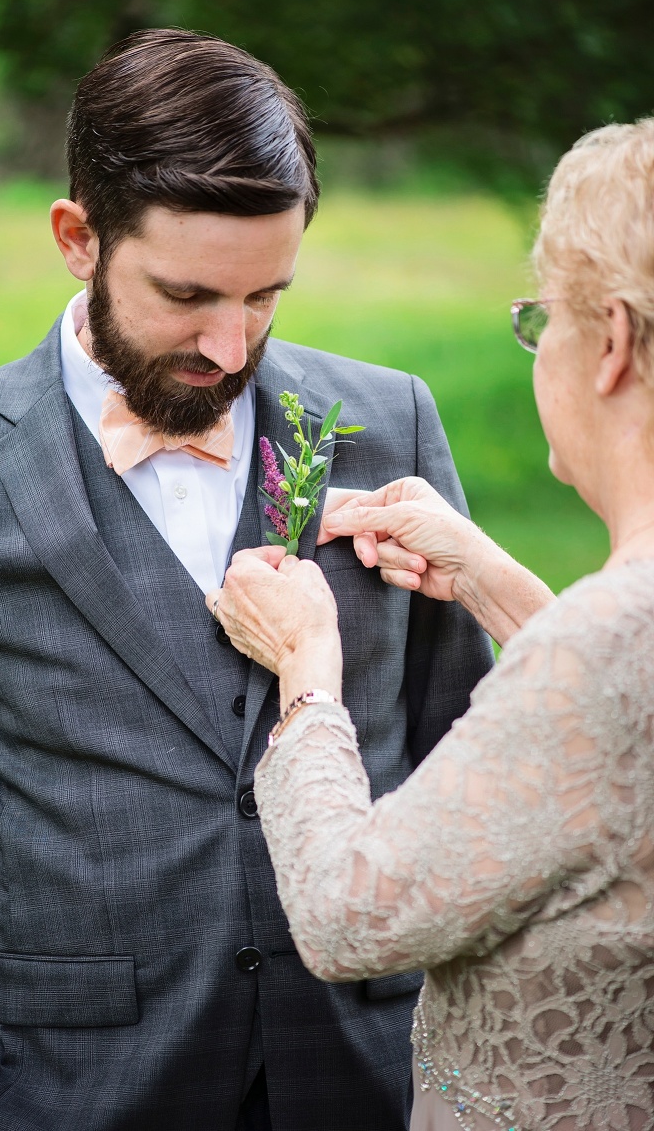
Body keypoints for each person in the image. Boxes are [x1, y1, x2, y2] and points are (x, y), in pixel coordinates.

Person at [0, 29, 493, 1131]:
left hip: (372, 1079)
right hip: (73, 1094)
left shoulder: (388, 422)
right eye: (189, 295)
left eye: (267, 296)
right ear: (78, 236)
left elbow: (472, 769)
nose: (231, 345)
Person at [208, 117, 654, 1130]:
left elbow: (346, 912)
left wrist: (308, 670)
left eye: (542, 323)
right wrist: (494, 581)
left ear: (613, 342)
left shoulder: (605, 643)